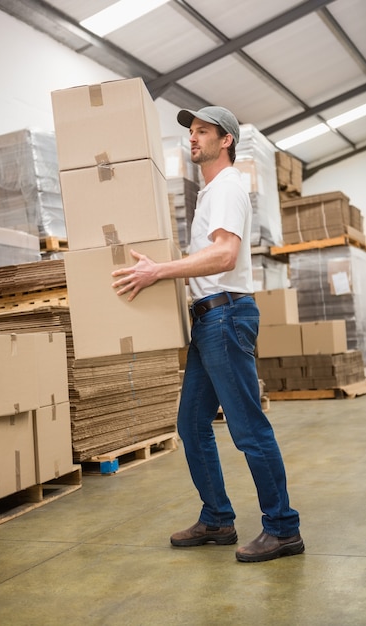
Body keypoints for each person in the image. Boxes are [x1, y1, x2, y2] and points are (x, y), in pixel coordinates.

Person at [111, 106, 303, 563]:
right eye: (191, 132)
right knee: (192, 425)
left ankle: (283, 528)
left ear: (227, 140)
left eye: (202, 131)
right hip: (209, 320)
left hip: (226, 317)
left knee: (248, 428)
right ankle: (217, 518)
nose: (192, 139)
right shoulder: (211, 192)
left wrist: (160, 272)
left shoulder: (228, 188)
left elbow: (223, 256)